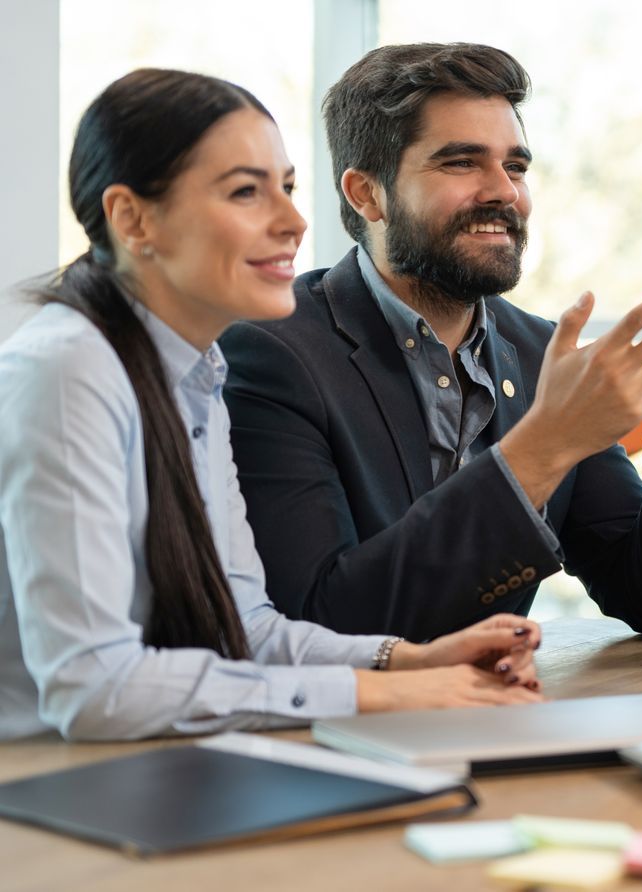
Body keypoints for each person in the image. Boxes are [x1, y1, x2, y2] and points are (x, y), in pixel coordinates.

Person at [0, 69, 546, 742]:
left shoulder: (197, 368)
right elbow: (95, 688)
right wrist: (376, 694)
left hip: (148, 767)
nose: (293, 220)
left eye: (286, 187)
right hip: (38, 787)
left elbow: (247, 626)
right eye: (245, 192)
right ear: (133, 219)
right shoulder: (66, 368)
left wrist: (406, 662)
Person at [219, 43, 642, 640]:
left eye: (517, 166)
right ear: (366, 193)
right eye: (461, 163)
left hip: (499, 715)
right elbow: (317, 619)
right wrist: (545, 444)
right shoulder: (271, 354)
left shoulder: (540, 355)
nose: (504, 191)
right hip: (336, 723)